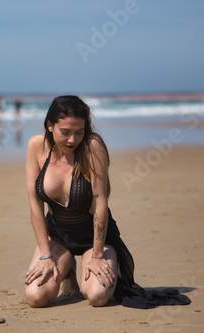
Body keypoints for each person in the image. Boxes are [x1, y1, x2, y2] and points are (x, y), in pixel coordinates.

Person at [24, 95, 191, 309]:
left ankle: (86, 262)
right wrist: (45, 255)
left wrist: (97, 254)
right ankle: (69, 274)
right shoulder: (36, 146)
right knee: (35, 297)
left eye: (79, 132)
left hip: (94, 237)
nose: (72, 140)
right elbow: (35, 205)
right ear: (49, 125)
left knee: (97, 296)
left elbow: (100, 203)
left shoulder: (92, 146)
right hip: (58, 235)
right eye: (65, 132)